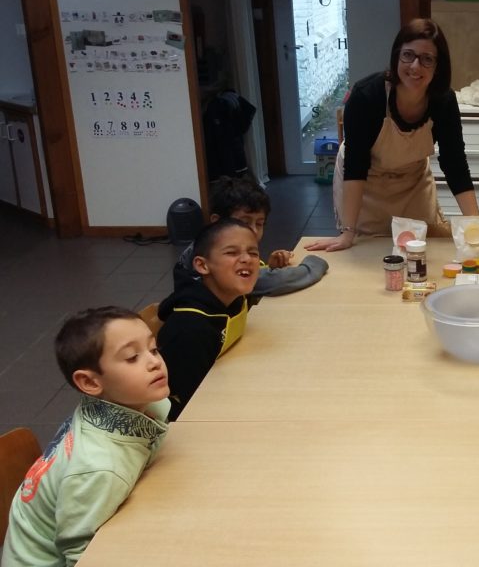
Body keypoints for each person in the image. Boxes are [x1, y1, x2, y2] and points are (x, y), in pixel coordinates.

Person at [303, 18, 479, 252]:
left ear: (438, 66)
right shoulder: (367, 96)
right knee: (367, 250)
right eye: (408, 55)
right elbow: (356, 166)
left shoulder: (443, 101)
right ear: (397, 56)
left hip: (412, 182)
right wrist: (347, 233)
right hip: (366, 184)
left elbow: (455, 164)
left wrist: (477, 230)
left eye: (427, 59)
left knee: (421, 248)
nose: (415, 66)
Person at [2, 307, 170, 566]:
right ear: (90, 383)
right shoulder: (97, 466)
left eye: (154, 349)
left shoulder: (129, 404)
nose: (154, 362)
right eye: (132, 357)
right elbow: (83, 555)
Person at [158, 218, 259, 420]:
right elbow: (183, 405)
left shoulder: (236, 297)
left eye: (253, 253)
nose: (247, 259)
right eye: (232, 253)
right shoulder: (190, 329)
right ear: (202, 265)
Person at [173, 175, 328, 298]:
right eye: (244, 222)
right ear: (217, 222)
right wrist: (313, 264)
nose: (253, 231)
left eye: (259, 223)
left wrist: (269, 267)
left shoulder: (211, 243)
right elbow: (269, 282)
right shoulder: (210, 257)